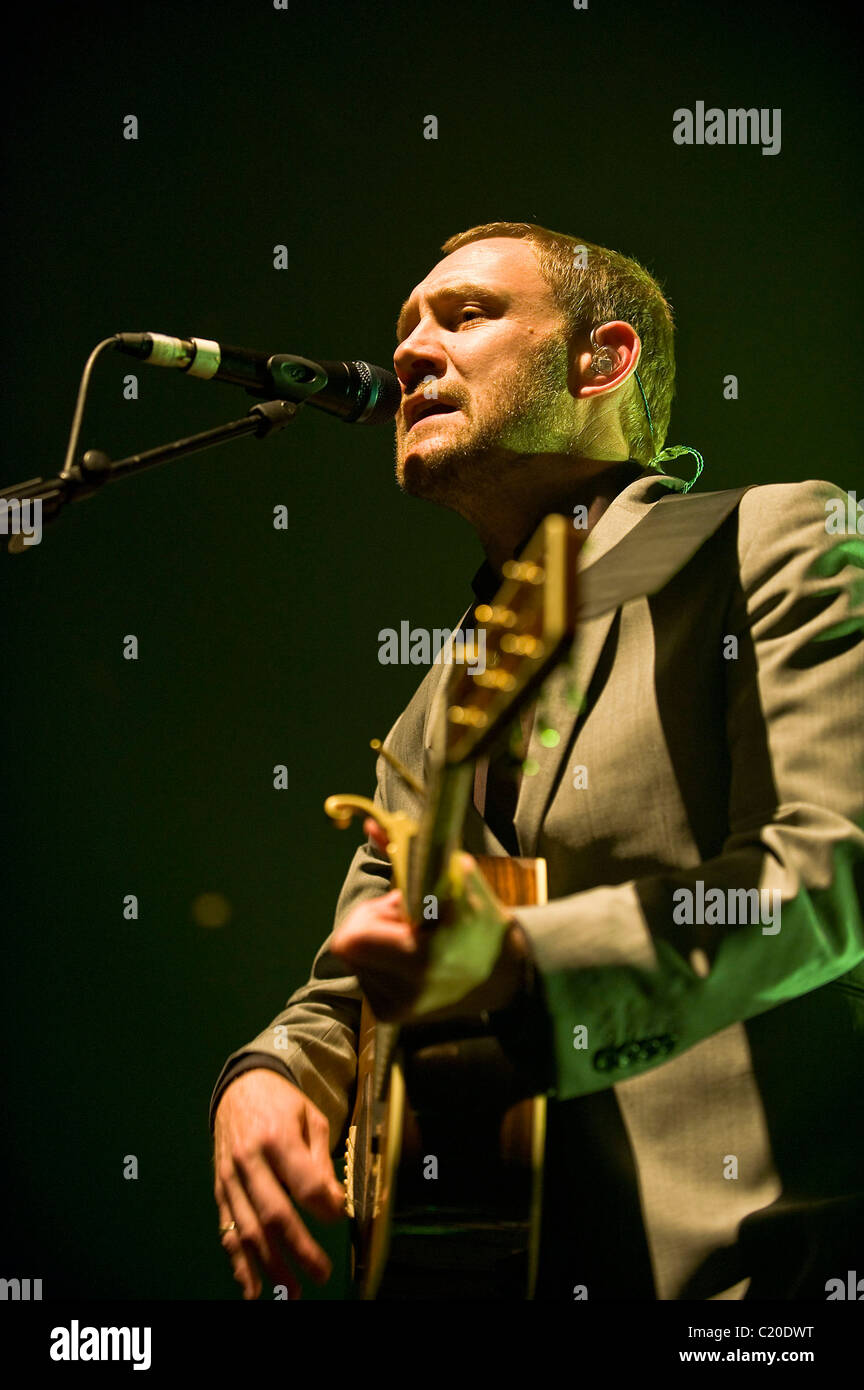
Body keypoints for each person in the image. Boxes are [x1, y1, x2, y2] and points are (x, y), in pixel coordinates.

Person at [209, 221, 864, 1301]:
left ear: (602, 359)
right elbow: (351, 984)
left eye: (465, 316)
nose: (412, 354)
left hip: (773, 1272)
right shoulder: (441, 694)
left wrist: (523, 959)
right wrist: (271, 1074)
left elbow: (829, 872)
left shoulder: (771, 542)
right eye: (406, 328)